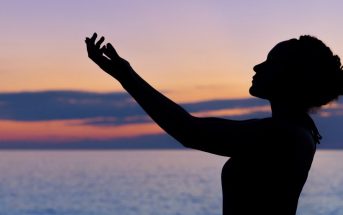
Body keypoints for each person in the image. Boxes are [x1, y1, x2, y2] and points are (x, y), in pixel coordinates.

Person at [85, 33, 343, 215]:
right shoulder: (296, 130)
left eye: (270, 62)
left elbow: (190, 131)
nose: (257, 66)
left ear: (290, 76)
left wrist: (125, 75)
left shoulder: (284, 135)